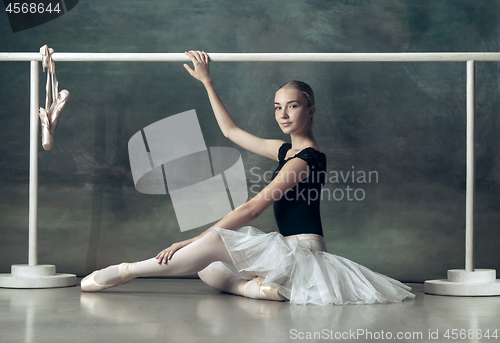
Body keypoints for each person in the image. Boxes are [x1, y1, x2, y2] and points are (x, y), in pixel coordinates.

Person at [81, 50, 415, 305]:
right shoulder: (288, 153)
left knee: (212, 242)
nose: (283, 114)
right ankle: (259, 289)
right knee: (208, 268)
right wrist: (207, 82)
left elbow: (253, 209)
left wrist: (191, 240)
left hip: (303, 254)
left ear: (311, 110)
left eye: (293, 106)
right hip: (287, 251)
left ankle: (127, 271)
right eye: (277, 106)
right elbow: (231, 131)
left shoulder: (306, 161)